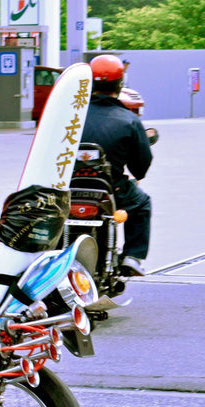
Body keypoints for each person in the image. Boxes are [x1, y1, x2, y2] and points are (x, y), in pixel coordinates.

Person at [80, 54, 154, 276]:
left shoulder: (70, 115)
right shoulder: (129, 119)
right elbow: (141, 165)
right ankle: (132, 256)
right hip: (110, 190)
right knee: (142, 204)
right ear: (120, 83)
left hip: (66, 189)